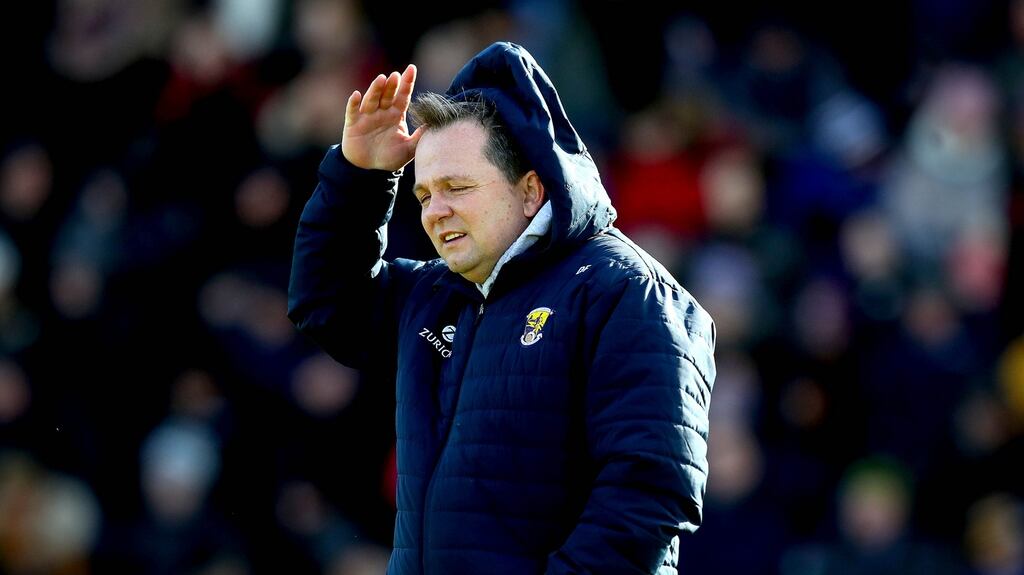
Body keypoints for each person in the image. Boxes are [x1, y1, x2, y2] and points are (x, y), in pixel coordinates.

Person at [288, 42, 716, 575]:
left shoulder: (627, 292)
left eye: (457, 188)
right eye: (423, 196)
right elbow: (327, 306)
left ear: (531, 189)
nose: (435, 213)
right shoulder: (438, 294)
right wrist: (360, 177)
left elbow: (648, 497)